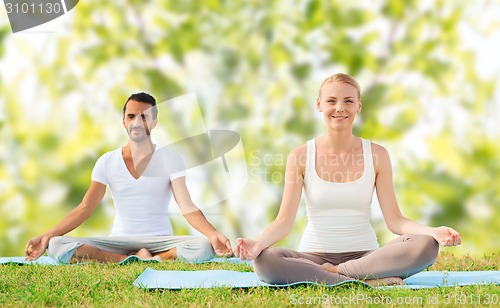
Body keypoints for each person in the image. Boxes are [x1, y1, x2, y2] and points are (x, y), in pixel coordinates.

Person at [233, 73, 461, 286]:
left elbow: (396, 221)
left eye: (348, 101)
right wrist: (258, 245)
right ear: (319, 104)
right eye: (331, 101)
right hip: (313, 257)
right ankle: (364, 281)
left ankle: (336, 276)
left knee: (426, 245)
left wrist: (432, 231)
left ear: (358, 106)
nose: (339, 108)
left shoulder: (377, 155)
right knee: (265, 261)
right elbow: (283, 221)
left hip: (367, 256)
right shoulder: (300, 155)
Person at [25, 92, 232, 264]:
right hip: (119, 239)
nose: (137, 122)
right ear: (124, 121)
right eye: (131, 116)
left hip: (160, 240)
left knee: (204, 246)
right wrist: (46, 236)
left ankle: (154, 258)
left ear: (154, 122)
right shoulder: (107, 161)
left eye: (144, 117)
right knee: (56, 245)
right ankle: (127, 258)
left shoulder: (171, 159)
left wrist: (213, 234)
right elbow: (85, 208)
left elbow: (187, 207)